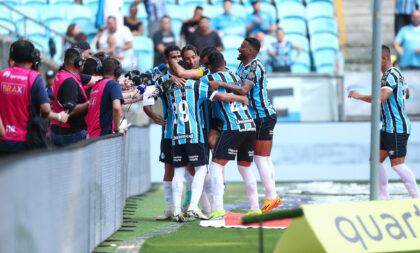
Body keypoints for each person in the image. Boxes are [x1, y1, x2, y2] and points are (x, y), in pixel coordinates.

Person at [165, 49, 249, 222]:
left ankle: (176, 209)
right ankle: (199, 206)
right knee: (203, 169)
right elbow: (221, 96)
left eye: (193, 57)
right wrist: (241, 99)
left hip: (176, 134)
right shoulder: (198, 85)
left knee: (179, 172)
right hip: (196, 134)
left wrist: (169, 77)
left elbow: (151, 89)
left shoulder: (168, 87)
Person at [210, 37, 282, 213]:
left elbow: (243, 90)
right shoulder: (242, 66)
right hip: (254, 117)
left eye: (242, 47)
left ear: (250, 51)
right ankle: (272, 196)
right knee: (259, 160)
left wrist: (219, 83)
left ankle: (272, 197)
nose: (239, 48)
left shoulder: (255, 66)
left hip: (262, 116)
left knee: (260, 158)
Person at [348, 45, 419, 200]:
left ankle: (417, 198)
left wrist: (359, 96)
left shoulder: (389, 76)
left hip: (396, 127)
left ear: (384, 58)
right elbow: (406, 93)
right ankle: (383, 198)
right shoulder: (397, 73)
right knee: (374, 162)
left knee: (398, 165)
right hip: (388, 127)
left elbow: (381, 98)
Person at [202, 51, 261, 219]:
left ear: (209, 67)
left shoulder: (209, 79)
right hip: (249, 125)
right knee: (245, 168)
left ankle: (219, 208)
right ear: (225, 62)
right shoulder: (236, 77)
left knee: (215, 167)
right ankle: (255, 208)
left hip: (232, 125)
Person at [0, 40, 69, 154]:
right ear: (32, 58)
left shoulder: (1, 75)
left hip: (2, 139)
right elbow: (46, 110)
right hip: (25, 140)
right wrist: (60, 117)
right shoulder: (34, 78)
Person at [50, 48, 91, 147]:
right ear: (78, 63)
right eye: (83, 60)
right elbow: (71, 110)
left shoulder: (62, 74)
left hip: (59, 130)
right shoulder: (70, 82)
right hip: (70, 133)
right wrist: (90, 103)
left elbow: (95, 79)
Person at [86, 57, 125, 138]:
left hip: (92, 135)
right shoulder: (114, 85)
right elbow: (116, 108)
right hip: (104, 136)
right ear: (117, 72)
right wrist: (117, 129)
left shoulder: (96, 85)